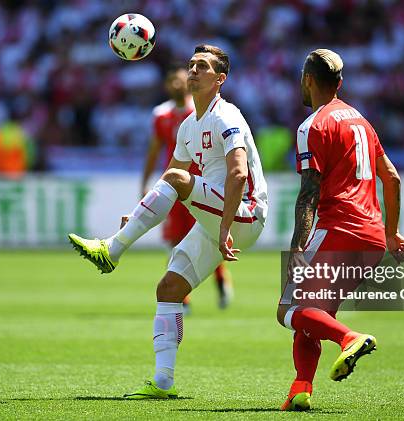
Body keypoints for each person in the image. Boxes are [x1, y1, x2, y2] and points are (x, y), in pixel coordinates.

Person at [68, 44, 268, 399]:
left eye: (201, 67)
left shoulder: (228, 116)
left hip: (245, 213)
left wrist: (224, 230)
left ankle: (112, 250)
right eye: (191, 65)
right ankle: (163, 382)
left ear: (220, 79)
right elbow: (171, 175)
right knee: (169, 289)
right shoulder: (188, 126)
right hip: (218, 216)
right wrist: (141, 209)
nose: (192, 71)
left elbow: (237, 175)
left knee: (178, 182)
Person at [276, 49, 404, 411]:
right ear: (340, 82)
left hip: (337, 227)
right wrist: (391, 233)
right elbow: (392, 177)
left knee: (289, 309)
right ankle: (300, 388)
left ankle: (351, 337)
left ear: (307, 80)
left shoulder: (314, 125)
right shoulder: (361, 122)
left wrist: (297, 247)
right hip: (372, 237)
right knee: (317, 315)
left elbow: (309, 193)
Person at [141, 67, 234, 311]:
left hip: (200, 185)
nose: (176, 83)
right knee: (174, 239)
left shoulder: (200, 112)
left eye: (179, 79)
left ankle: (221, 279)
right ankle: (182, 298)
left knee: (205, 234)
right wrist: (146, 182)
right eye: (171, 79)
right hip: (174, 186)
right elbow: (154, 149)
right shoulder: (161, 115)